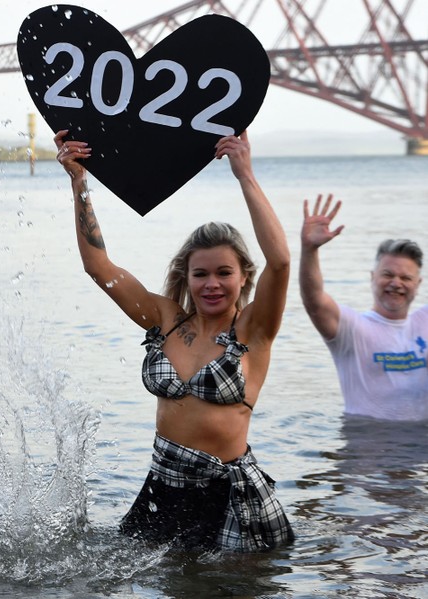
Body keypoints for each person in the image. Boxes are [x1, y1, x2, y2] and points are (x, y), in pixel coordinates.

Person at [54, 130, 294, 552]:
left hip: (228, 499)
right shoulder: (164, 320)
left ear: (243, 278)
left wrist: (245, 176)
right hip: (163, 488)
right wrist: (79, 182)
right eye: (201, 274)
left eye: (224, 273)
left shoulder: (254, 330)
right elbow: (98, 266)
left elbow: (281, 260)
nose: (212, 284)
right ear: (186, 277)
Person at [299, 194, 427, 421]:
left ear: (418, 284)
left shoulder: (424, 321)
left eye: (405, 278)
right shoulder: (353, 328)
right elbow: (314, 301)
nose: (396, 283)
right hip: (368, 445)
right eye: (387, 274)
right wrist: (310, 250)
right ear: (372, 277)